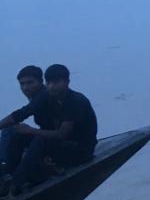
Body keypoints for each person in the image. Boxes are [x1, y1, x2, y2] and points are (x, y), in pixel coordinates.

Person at [0, 64, 98, 193]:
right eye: (49, 83)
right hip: (61, 145)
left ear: (67, 82)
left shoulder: (75, 101)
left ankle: (14, 185)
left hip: (81, 151)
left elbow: (62, 134)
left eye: (56, 82)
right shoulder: (47, 96)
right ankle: (7, 175)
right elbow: (21, 114)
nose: (51, 86)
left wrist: (30, 130)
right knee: (19, 135)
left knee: (40, 140)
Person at [0, 66, 54, 176]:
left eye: (30, 83)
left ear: (41, 82)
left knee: (10, 130)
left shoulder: (44, 95)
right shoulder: (37, 97)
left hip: (53, 139)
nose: (25, 87)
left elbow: (21, 114)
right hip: (46, 136)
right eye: (22, 84)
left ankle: (7, 170)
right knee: (11, 130)